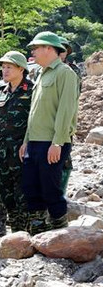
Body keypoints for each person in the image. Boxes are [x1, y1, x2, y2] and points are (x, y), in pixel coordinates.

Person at [20, 32, 79, 234]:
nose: (33, 52)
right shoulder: (42, 74)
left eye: (35, 48)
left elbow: (66, 110)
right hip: (34, 142)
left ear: (48, 48)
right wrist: (26, 141)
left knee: (50, 189)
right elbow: (34, 113)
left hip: (52, 142)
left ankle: (60, 234)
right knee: (30, 187)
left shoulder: (65, 73)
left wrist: (58, 142)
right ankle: (39, 232)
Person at [0, 51, 33, 237]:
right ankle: (15, 236)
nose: (5, 70)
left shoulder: (32, 90)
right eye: (3, 67)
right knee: (5, 195)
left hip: (22, 151)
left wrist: (28, 142)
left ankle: (26, 234)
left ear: (21, 69)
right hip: (2, 152)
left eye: (9, 67)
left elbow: (36, 121)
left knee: (23, 194)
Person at [58, 36, 82, 196]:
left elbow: (72, 96)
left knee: (64, 158)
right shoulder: (40, 69)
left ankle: (60, 193)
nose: (60, 52)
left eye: (63, 49)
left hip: (65, 119)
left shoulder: (73, 70)